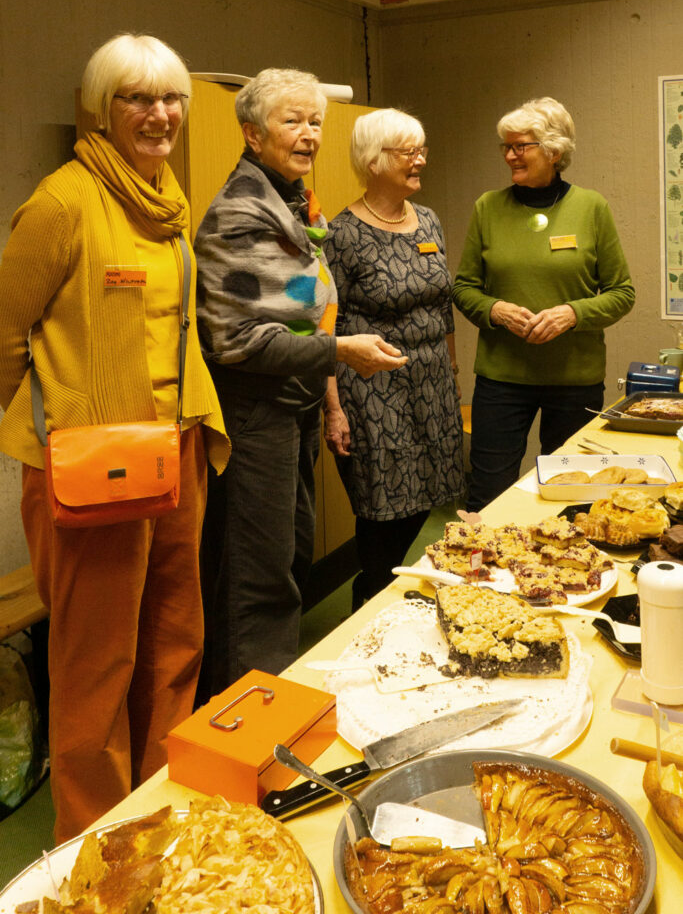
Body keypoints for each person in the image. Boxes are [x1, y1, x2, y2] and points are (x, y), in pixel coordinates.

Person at [0, 34, 230, 843]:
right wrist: (37, 434)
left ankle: (158, 815)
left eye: (170, 98)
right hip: (90, 471)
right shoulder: (63, 202)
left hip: (176, 455)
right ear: (101, 110)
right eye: (137, 98)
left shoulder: (168, 199)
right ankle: (98, 849)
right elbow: (4, 326)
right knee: (95, 672)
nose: (159, 114)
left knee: (174, 646)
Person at [194, 69, 407, 694]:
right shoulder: (241, 210)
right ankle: (249, 714)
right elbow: (237, 341)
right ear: (252, 134)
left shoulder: (288, 197)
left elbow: (293, 302)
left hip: (293, 406)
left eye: (315, 121)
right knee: (259, 577)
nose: (309, 134)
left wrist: (327, 369)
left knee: (287, 559)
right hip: (254, 414)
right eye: (293, 121)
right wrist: (340, 350)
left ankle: (266, 699)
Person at [452, 96, 635, 512]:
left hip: (574, 380)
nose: (510, 155)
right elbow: (463, 288)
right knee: (488, 492)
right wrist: (495, 309)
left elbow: (622, 293)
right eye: (506, 146)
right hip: (502, 379)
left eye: (521, 146)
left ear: (553, 152)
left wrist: (573, 313)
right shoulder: (488, 208)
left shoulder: (591, 207)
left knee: (571, 496)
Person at [323, 109, 465, 610]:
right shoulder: (341, 234)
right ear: (374, 160)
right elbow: (327, 326)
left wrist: (450, 369)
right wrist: (333, 407)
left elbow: (442, 302)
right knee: (386, 510)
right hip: (373, 390)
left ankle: (396, 598)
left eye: (421, 148)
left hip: (431, 382)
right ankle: (370, 603)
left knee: (426, 500)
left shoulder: (427, 220)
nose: (421, 159)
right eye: (410, 151)